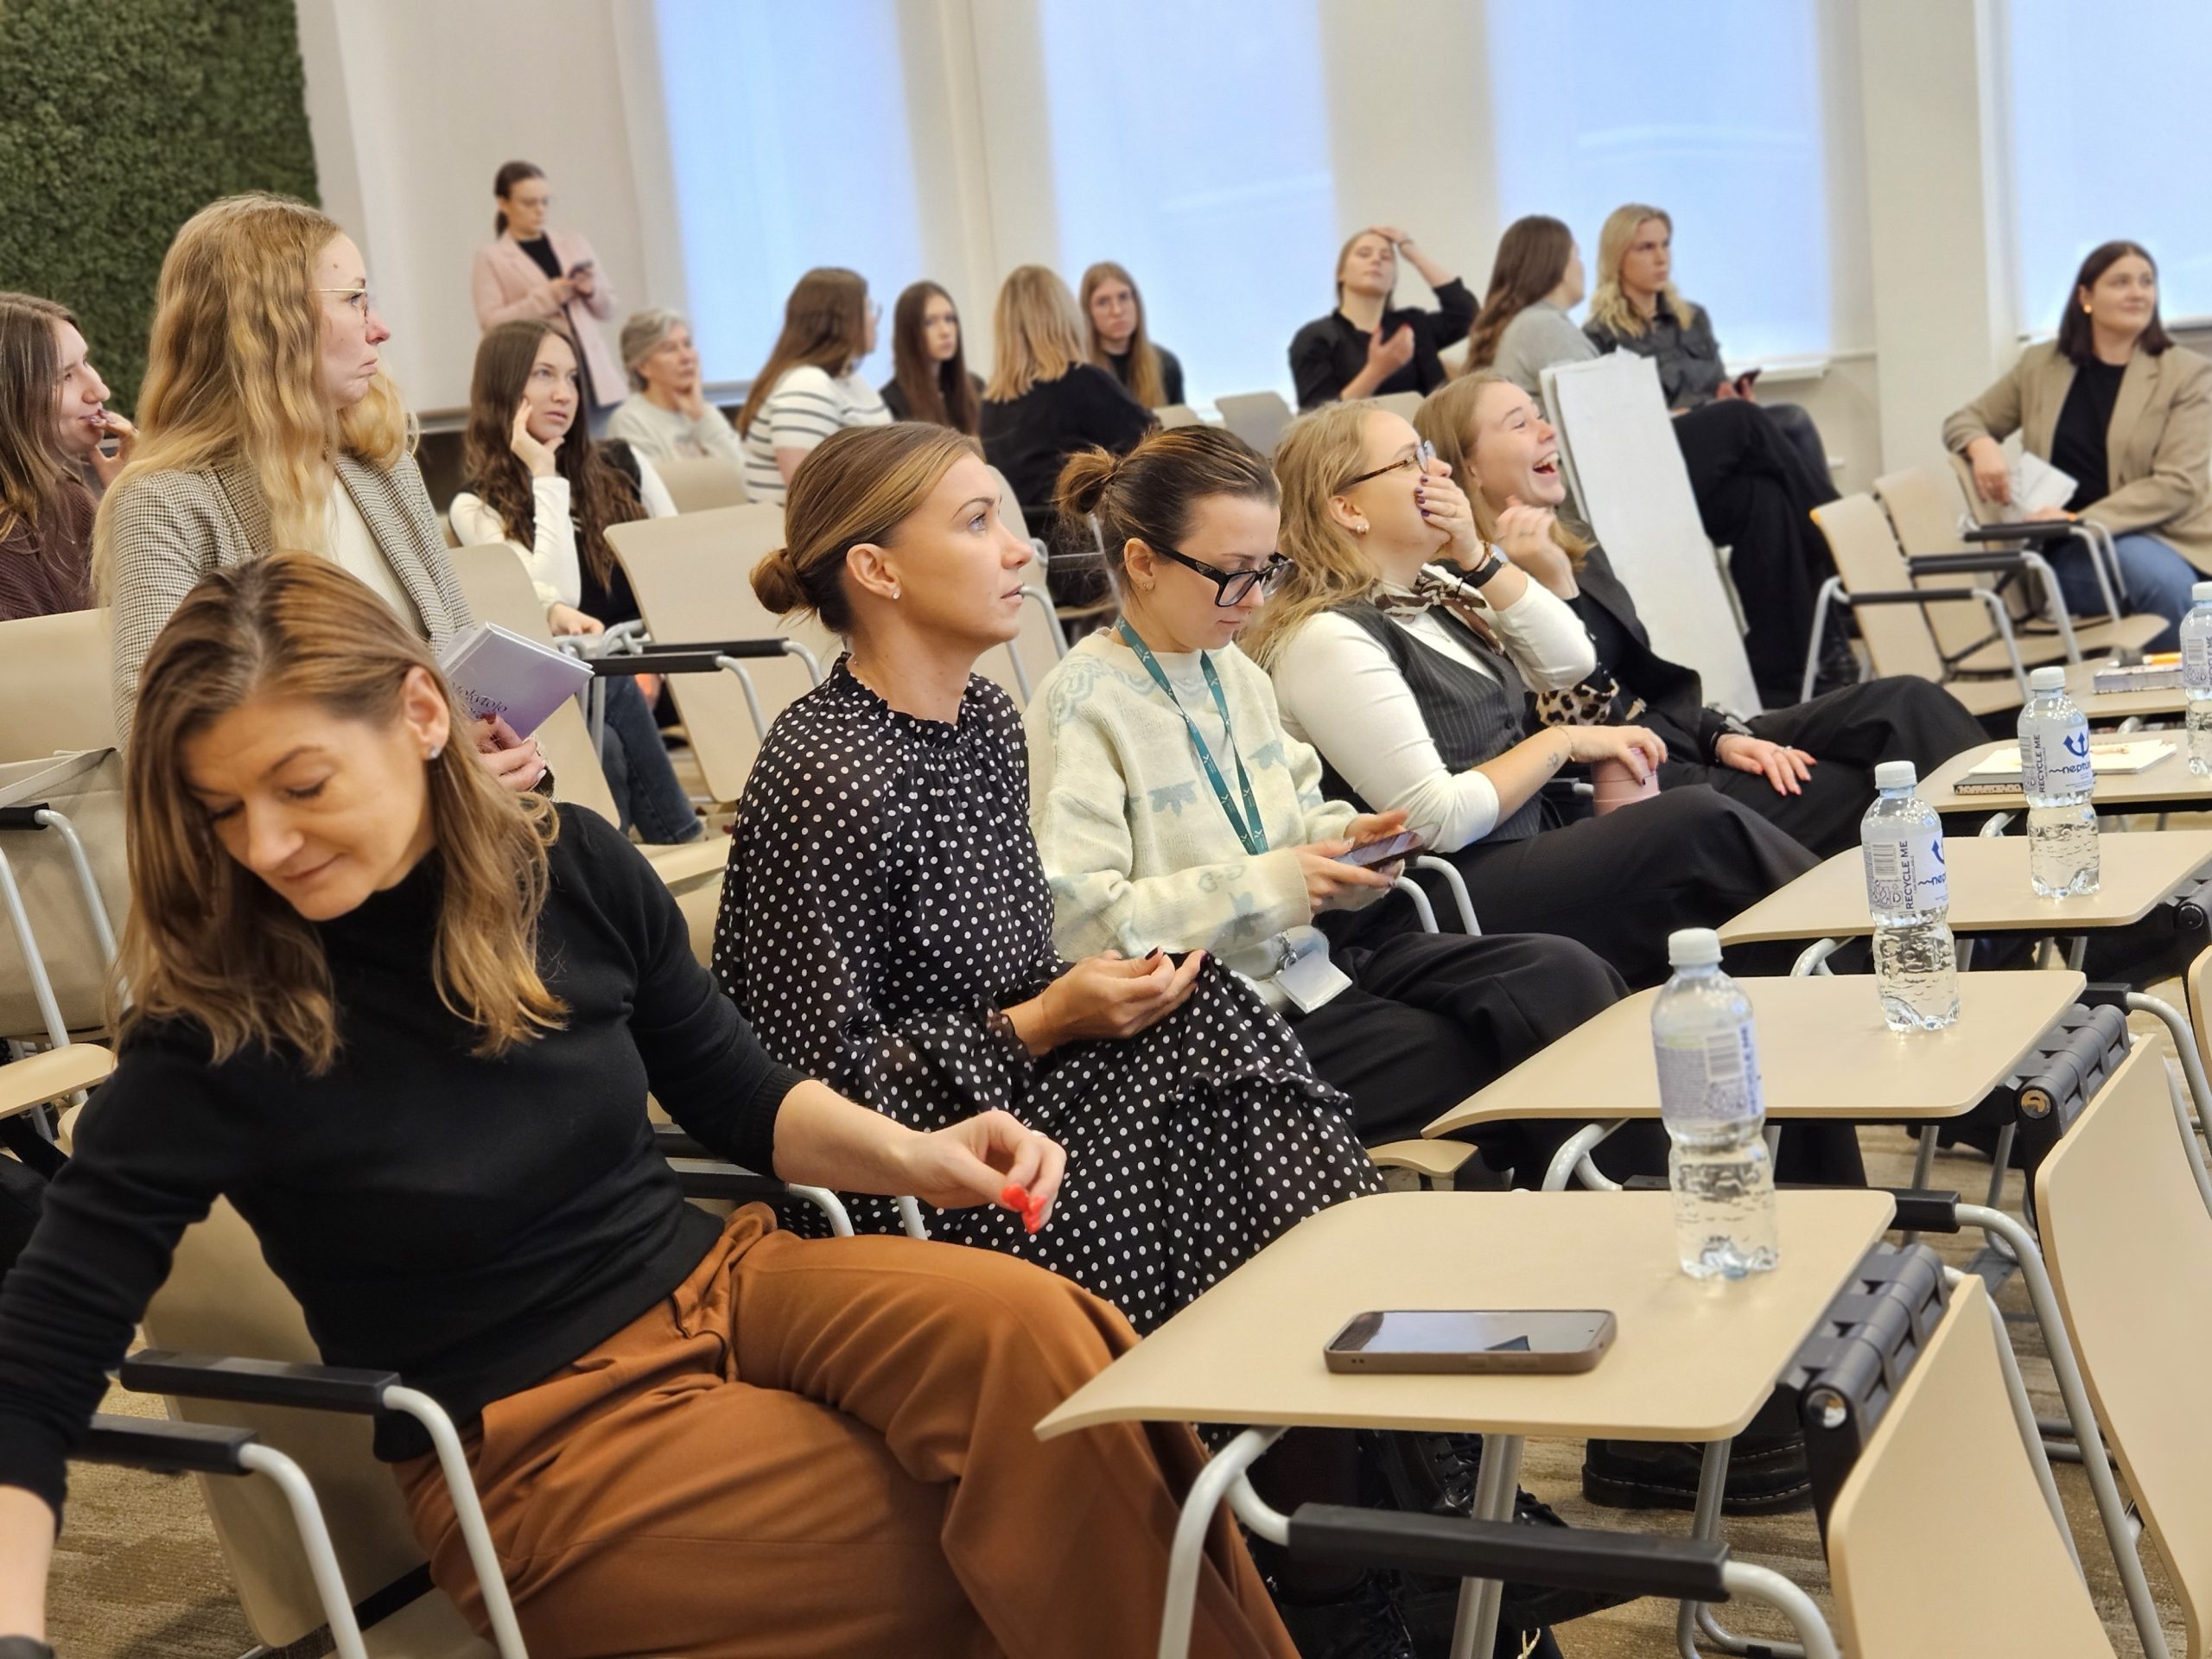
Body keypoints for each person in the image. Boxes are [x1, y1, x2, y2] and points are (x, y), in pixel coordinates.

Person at [0, 552, 1301, 1659]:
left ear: (422, 712)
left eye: (301, 787)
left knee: (1050, 1345)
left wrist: (921, 1153)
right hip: (539, 1441)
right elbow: (42, 1353)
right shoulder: (213, 1027)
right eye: (220, 812)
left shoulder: (568, 868)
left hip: (728, 1284)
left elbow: (739, 1095)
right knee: (1019, 1528)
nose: (263, 846)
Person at [715, 418, 1379, 1332]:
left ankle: (1339, 1364)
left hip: (1029, 1097)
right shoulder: (827, 776)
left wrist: (1077, 998)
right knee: (1230, 1129)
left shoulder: (985, 720)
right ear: (877, 570)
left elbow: (1020, 966)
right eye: (977, 522)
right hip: (923, 1173)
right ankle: (1334, 1373)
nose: (1019, 549)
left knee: (1212, 1018)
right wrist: (1040, 1022)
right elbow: (810, 1094)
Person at [1027, 425, 1652, 1185]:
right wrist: (1282, 882)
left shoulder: (1230, 669)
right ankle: (1614, 1208)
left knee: (1558, 975)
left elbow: (1293, 813)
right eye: (1232, 574)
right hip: (1215, 1021)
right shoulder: (1081, 703)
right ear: (1142, 563)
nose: (1256, 598)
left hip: (1311, 968)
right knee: (1480, 1055)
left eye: (1267, 569)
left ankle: (1645, 1199)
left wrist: (1350, 839)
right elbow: (1084, 921)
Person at [1244, 399, 1821, 990]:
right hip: (1439, 892)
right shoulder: (1325, 638)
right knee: (1697, 823)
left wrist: (1476, 556)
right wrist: (1563, 740)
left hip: (1521, 844)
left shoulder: (1435, 588)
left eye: (1429, 454)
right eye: (1409, 462)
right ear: (1348, 508)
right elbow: (1436, 818)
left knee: (1707, 858)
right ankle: (1845, 955)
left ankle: (1811, 979)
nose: (1438, 472)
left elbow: (1571, 662)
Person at [1420, 372, 1986, 855]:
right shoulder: (1462, 589)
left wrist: (1720, 735)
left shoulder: (1568, 539)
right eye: (1520, 424)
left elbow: (1645, 681)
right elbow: (1582, 733)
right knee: (1864, 788)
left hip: (1680, 735)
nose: (1548, 431)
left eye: (1541, 416)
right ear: (1469, 468)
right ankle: (1984, 914)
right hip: (1638, 780)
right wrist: (1556, 589)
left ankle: (2001, 895)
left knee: (1906, 703)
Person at [93, 193, 546, 795]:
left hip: (456, 816)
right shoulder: (166, 503)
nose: (379, 328)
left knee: (592, 844)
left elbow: (461, 672)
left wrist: (490, 746)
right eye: (355, 300)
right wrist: (425, 779)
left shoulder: (382, 468)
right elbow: (161, 743)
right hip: (323, 838)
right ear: (269, 325)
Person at [1464, 214, 1847, 708]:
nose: (1582, 264)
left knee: (1761, 497)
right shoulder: (1542, 325)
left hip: (1622, 468)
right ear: (1555, 261)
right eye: (1576, 253)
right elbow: (1605, 420)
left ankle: (1783, 678)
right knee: (1747, 420)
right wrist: (1683, 415)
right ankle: (1838, 539)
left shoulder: (1549, 324)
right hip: (1604, 481)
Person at [448, 321, 701, 844]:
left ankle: (635, 860)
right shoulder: (475, 505)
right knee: (603, 717)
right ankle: (680, 838)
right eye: (544, 375)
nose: (564, 393)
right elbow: (554, 598)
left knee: (609, 710)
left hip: (658, 668)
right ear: (505, 386)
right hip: (572, 694)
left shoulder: (624, 463)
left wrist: (651, 661)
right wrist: (544, 475)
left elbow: (677, 575)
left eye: (571, 377)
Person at [1945, 238, 2212, 651]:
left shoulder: (2187, 373)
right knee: (2162, 582)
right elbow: (1964, 420)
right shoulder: (2040, 365)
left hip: (2171, 535)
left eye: (2146, 282)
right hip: (2072, 550)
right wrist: (1982, 446)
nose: (2138, 292)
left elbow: (2178, 485)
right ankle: (2191, 689)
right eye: (2121, 282)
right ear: (2085, 296)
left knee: (2167, 577)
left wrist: (2079, 519)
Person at [1581, 203, 1833, 497]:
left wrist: (1732, 397)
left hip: (1723, 432)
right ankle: (1837, 517)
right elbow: (1619, 423)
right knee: (1792, 421)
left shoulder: (1693, 317)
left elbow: (1719, 384)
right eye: (1646, 248)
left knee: (1768, 484)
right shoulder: (1601, 335)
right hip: (1671, 445)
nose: (1662, 258)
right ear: (1617, 257)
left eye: (1665, 244)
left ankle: (1826, 520)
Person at [977, 265, 1152, 606]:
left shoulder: (991, 406)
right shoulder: (1080, 382)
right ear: (1065, 316)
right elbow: (1152, 445)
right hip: (1084, 566)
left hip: (1024, 570)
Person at [0, 292, 132, 622]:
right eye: (65, 376)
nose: (100, 391)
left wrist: (129, 501)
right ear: (10, 397)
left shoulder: (69, 499)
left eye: (85, 362)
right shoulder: (7, 542)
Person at [469, 161, 622, 414]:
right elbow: (491, 324)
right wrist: (548, 297)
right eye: (529, 203)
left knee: (607, 434)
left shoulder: (573, 242)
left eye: (545, 201)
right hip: (541, 374)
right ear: (503, 204)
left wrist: (590, 290)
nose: (540, 210)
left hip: (593, 372)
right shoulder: (491, 257)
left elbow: (609, 309)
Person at [734, 267, 891, 508]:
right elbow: (811, 496)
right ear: (841, 322)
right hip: (814, 530)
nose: (874, 319)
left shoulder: (849, 380)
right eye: (867, 309)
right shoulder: (807, 386)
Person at [1287, 227, 1475, 410]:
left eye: (1386, 257)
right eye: (1364, 254)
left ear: (1393, 280)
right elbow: (1316, 419)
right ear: (1341, 273)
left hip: (1426, 430)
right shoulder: (1316, 338)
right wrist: (1376, 371)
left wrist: (1411, 251)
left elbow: (1467, 314)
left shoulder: (1412, 325)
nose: (1376, 260)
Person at [605, 308, 745, 467]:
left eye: (688, 344)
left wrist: (701, 416)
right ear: (643, 367)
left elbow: (742, 474)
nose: (686, 357)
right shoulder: (629, 421)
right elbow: (650, 481)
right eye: (670, 349)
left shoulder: (704, 411)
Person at [880, 279, 982, 434]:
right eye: (929, 323)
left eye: (949, 319)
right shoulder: (891, 403)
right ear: (908, 333)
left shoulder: (975, 388)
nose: (945, 331)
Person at [1081, 261, 1185, 408]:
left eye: (1123, 297)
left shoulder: (1165, 364)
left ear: (1136, 303)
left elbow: (1178, 421)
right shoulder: (1079, 371)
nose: (1117, 311)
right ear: (1088, 312)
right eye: (1103, 302)